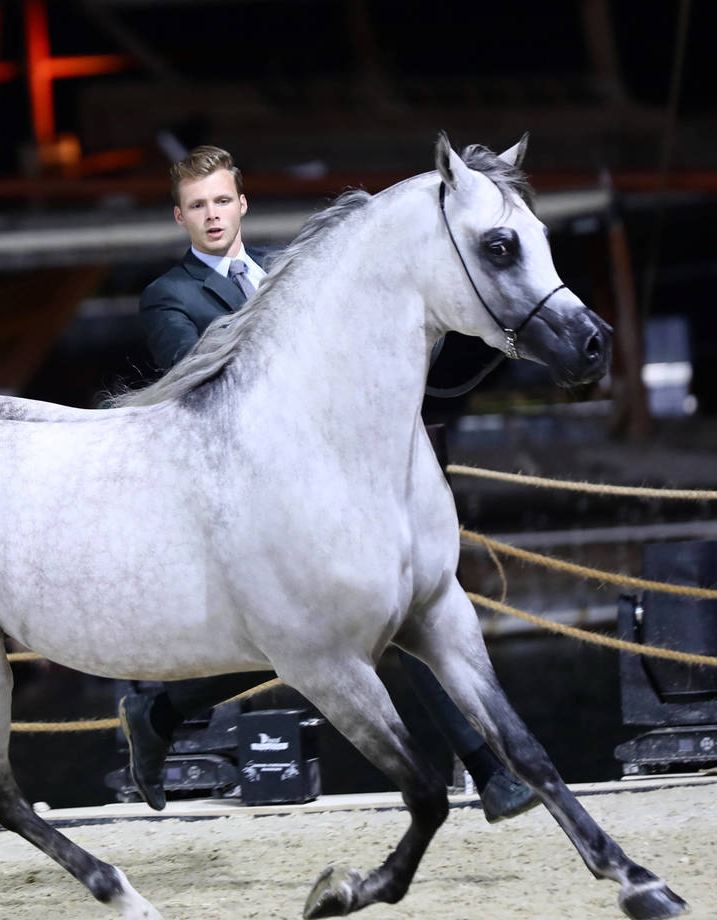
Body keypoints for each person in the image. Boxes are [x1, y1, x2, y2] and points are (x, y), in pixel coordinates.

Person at [123, 146, 536, 821]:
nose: (213, 215)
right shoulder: (169, 296)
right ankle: (488, 770)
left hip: (327, 485)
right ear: (180, 217)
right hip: (245, 495)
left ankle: (489, 772)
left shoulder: (290, 267)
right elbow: (203, 385)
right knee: (328, 633)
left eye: (222, 200)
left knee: (376, 616)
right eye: (198, 206)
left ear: (242, 204)